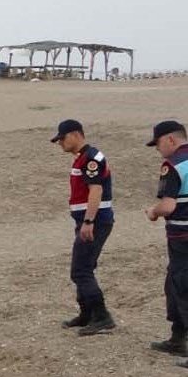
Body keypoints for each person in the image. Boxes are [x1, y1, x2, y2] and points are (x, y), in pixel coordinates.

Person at [50, 119, 116, 334]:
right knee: (83, 266)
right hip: (89, 220)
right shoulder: (83, 158)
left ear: (76, 134)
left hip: (94, 221)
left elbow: (95, 190)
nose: (60, 143)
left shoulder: (90, 159)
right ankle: (87, 314)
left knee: (81, 270)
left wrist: (89, 221)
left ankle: (101, 316)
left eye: (62, 138)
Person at [143, 120, 188, 362]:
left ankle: (180, 339)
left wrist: (153, 212)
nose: (158, 149)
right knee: (175, 283)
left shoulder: (173, 165)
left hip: (182, 236)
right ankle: (177, 338)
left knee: (182, 286)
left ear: (171, 139)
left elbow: (169, 206)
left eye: (158, 143)